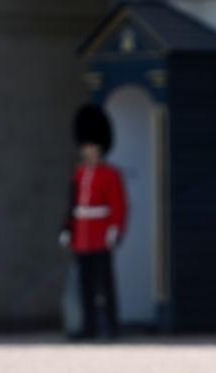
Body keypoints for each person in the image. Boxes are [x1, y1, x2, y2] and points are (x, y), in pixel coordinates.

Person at [60, 104, 128, 339]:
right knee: (85, 285)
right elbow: (72, 205)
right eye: (86, 146)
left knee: (105, 284)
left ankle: (111, 326)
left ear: (100, 148)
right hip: (82, 236)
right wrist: (68, 229)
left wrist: (115, 230)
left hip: (100, 234)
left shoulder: (110, 175)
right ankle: (88, 327)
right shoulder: (79, 174)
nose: (89, 151)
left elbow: (118, 206)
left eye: (92, 146)